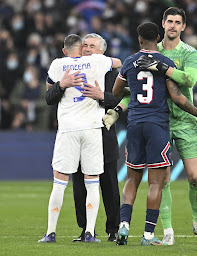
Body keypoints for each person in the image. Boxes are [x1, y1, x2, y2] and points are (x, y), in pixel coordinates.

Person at [104, 7, 197, 244]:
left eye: (178, 22)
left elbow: (190, 80)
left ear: (183, 26)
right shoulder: (157, 52)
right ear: (162, 24)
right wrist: (119, 109)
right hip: (161, 121)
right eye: (169, 21)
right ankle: (166, 231)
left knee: (194, 177)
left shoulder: (189, 53)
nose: (173, 25)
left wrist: (163, 70)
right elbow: (162, 93)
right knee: (160, 179)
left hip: (180, 122)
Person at [38, 34, 117, 243]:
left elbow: (47, 92)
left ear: (65, 51)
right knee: (91, 183)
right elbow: (119, 62)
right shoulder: (99, 62)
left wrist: (62, 83)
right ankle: (89, 232)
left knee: (59, 182)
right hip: (92, 129)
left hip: (69, 130)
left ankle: (51, 232)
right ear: (81, 48)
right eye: (86, 46)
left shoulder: (57, 64)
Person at [71, 33, 122, 242]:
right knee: (80, 185)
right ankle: (86, 229)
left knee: (109, 184)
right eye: (85, 45)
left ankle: (114, 229)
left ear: (102, 52)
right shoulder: (72, 70)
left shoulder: (111, 73)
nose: (87, 49)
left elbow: (119, 100)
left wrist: (101, 96)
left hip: (103, 134)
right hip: (80, 135)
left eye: (92, 46)